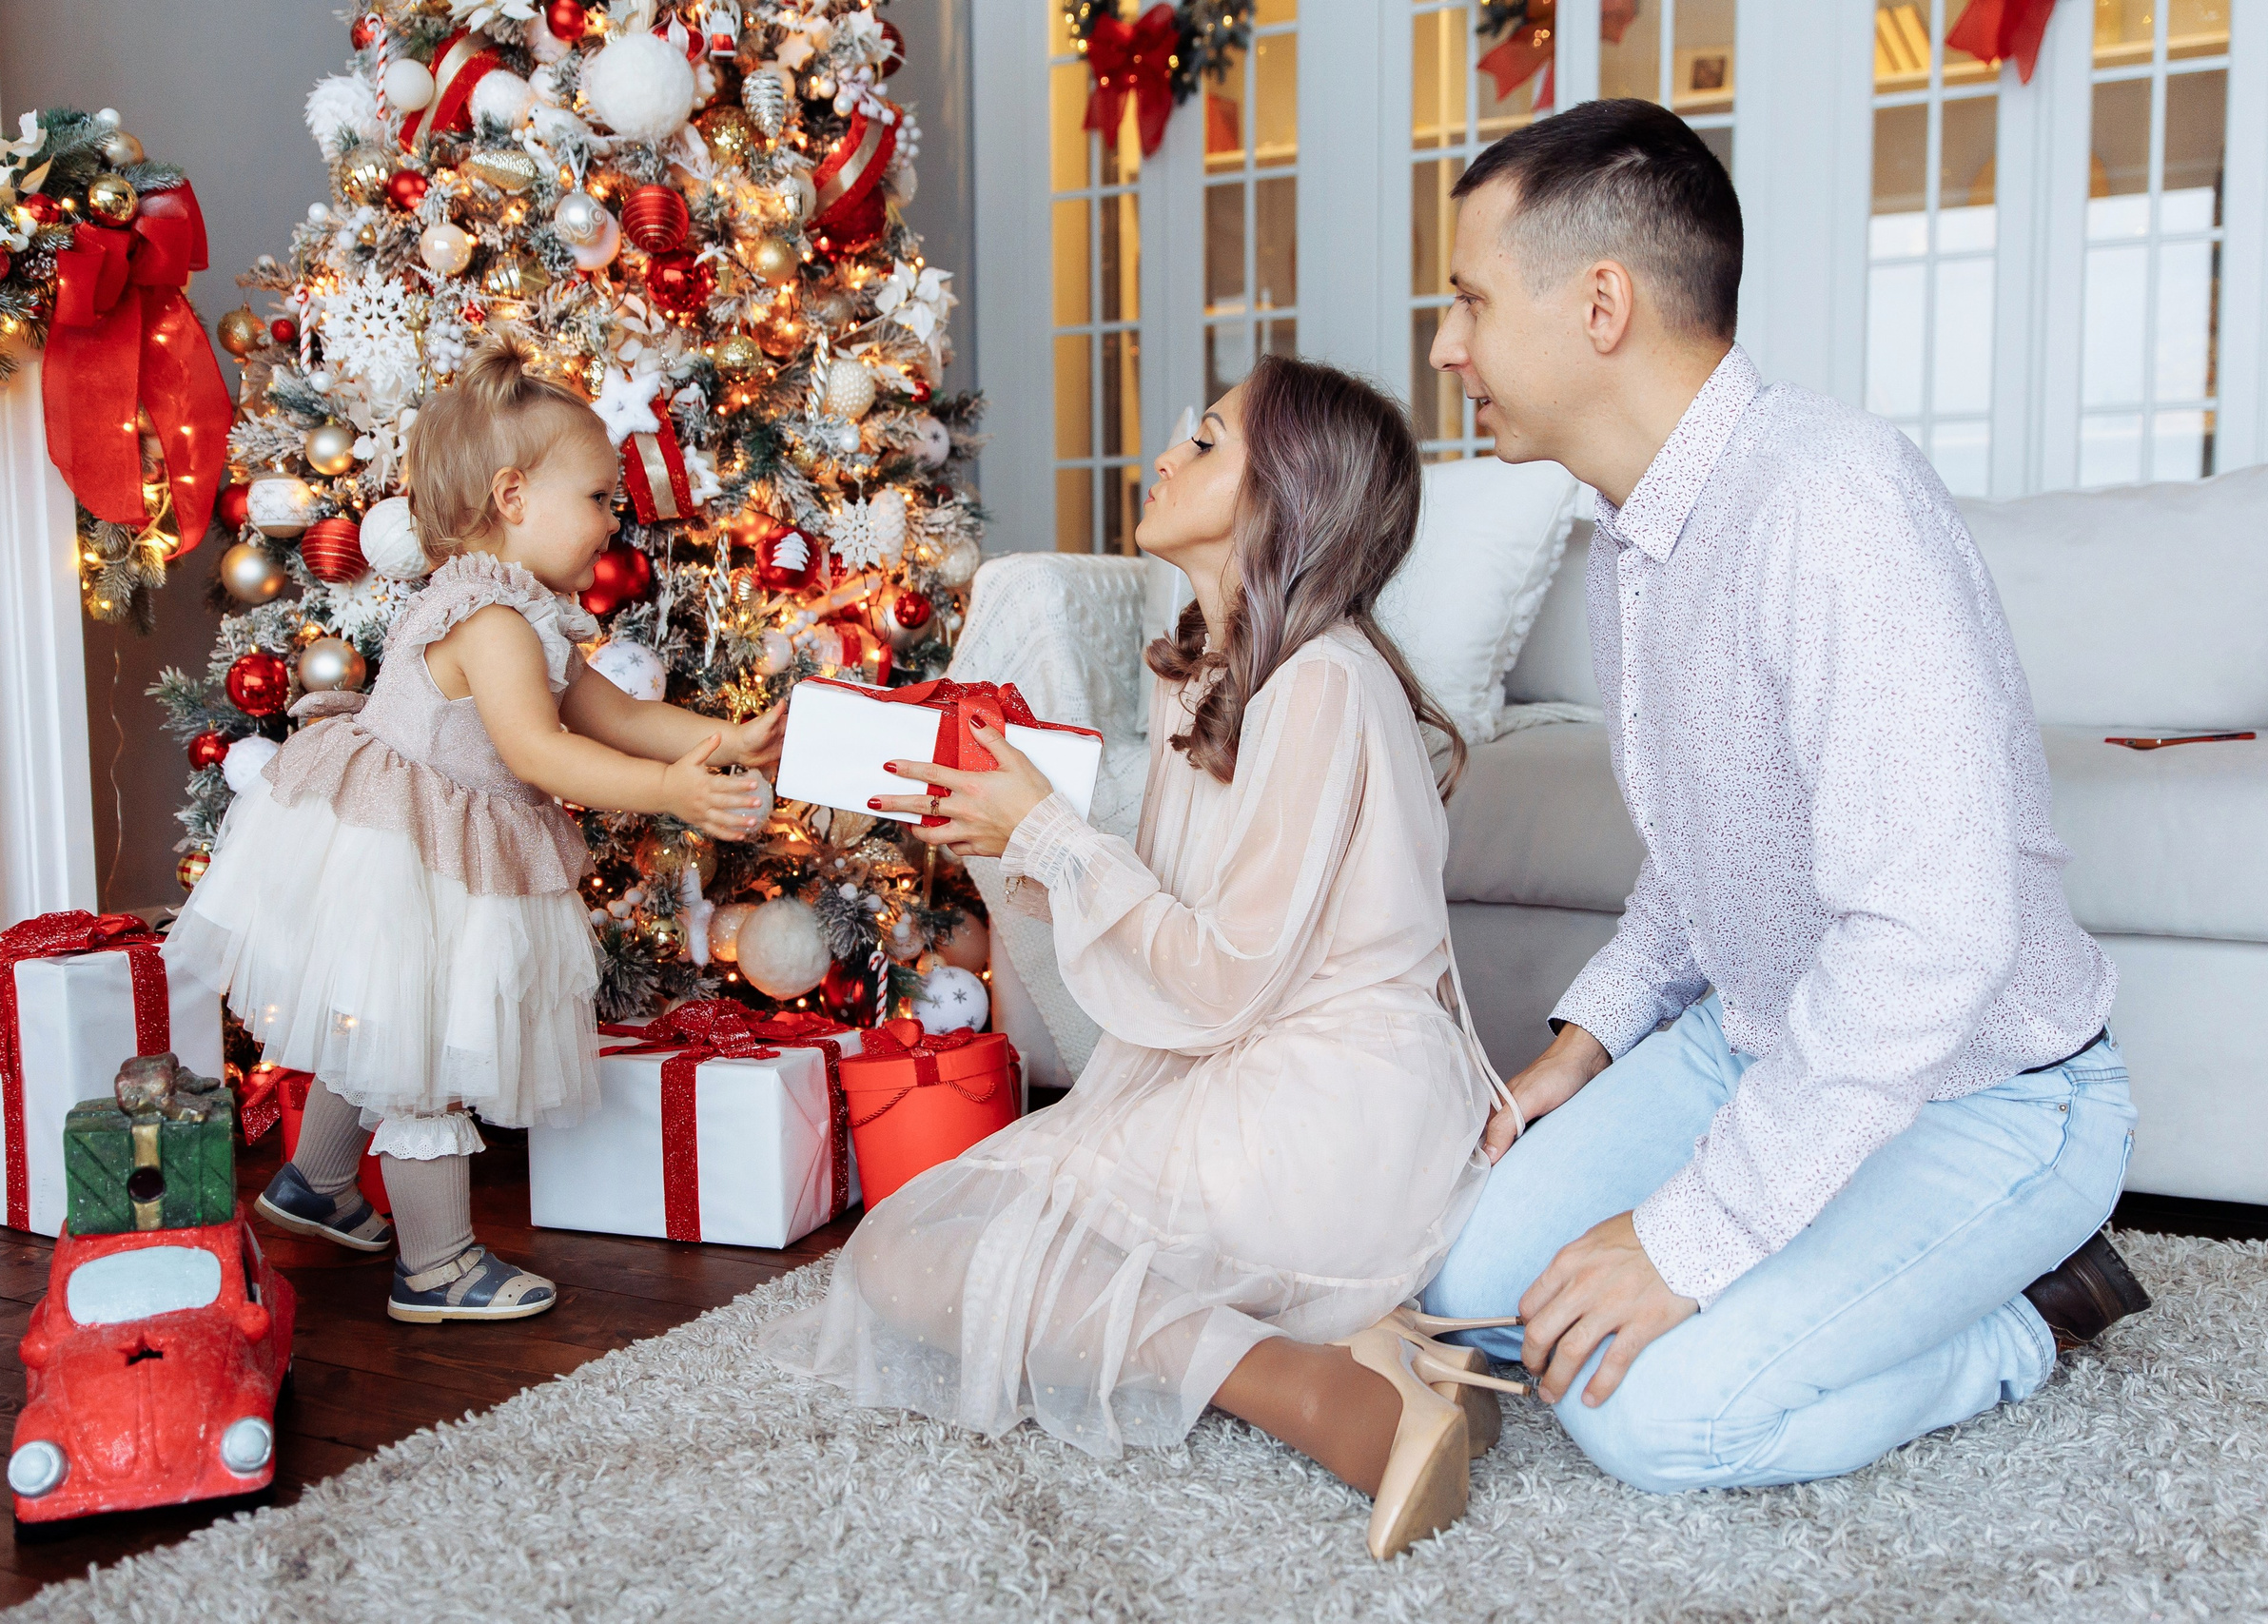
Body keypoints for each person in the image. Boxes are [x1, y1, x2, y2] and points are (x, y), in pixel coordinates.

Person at [1413, 99, 2151, 1492]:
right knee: (1476, 1289)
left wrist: (1694, 1229)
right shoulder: (1629, 542)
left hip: (1983, 1089)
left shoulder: (1834, 502)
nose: (1448, 347)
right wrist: (1585, 1043)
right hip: (1762, 1042)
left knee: (1660, 1415)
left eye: (1469, 300)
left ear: (1602, 304)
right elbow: (1706, 856)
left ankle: (2026, 1316)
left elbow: (1934, 938)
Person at [763, 354, 1525, 1559]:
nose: (1166, 457)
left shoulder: (1325, 682)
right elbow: (1161, 935)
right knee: (933, 1249)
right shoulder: (1206, 677)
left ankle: (1312, 1393)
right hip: (1241, 1069)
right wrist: (1009, 843)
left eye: (1208, 442)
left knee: (930, 1255)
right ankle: (1371, 1345)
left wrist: (1056, 837)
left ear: (1282, 494)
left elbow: (1223, 975)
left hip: (1334, 1096)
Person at [166, 338, 783, 1324]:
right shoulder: (488, 620)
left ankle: (315, 1184)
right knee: (421, 1060)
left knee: (382, 1030)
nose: (613, 520)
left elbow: (610, 715)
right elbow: (541, 753)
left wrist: (723, 737)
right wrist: (671, 790)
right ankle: (438, 1268)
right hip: (412, 850)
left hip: (432, 841)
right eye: (598, 498)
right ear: (512, 496)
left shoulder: (525, 608)